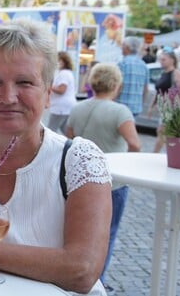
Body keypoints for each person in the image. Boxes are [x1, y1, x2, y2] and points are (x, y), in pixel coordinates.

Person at [0, 19, 111, 295]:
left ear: (47, 92)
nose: (8, 97)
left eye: (25, 82)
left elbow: (82, 269)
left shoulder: (79, 159)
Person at [65, 62, 140, 292]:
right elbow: (135, 144)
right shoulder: (120, 111)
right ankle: (99, 283)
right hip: (112, 183)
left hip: (77, 180)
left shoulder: (78, 108)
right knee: (106, 236)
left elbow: (69, 138)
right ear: (116, 84)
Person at [149, 50, 180, 153]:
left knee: (162, 132)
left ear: (172, 60)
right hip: (163, 109)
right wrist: (151, 106)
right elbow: (158, 92)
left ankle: (155, 154)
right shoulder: (163, 74)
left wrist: (174, 107)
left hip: (171, 109)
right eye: (160, 59)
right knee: (164, 133)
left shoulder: (176, 73)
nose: (161, 62)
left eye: (163, 59)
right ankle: (170, 154)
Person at [116, 36, 149, 117]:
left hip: (121, 106)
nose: (121, 48)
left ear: (127, 48)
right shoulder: (144, 65)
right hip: (136, 108)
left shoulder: (122, 64)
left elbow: (118, 86)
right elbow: (146, 89)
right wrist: (140, 103)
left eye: (123, 45)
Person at [47, 51, 77, 134]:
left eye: (58, 60)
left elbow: (61, 90)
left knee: (51, 130)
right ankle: (73, 142)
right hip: (66, 106)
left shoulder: (64, 74)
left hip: (60, 107)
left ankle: (48, 146)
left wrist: (48, 86)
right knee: (65, 129)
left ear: (64, 61)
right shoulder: (67, 73)